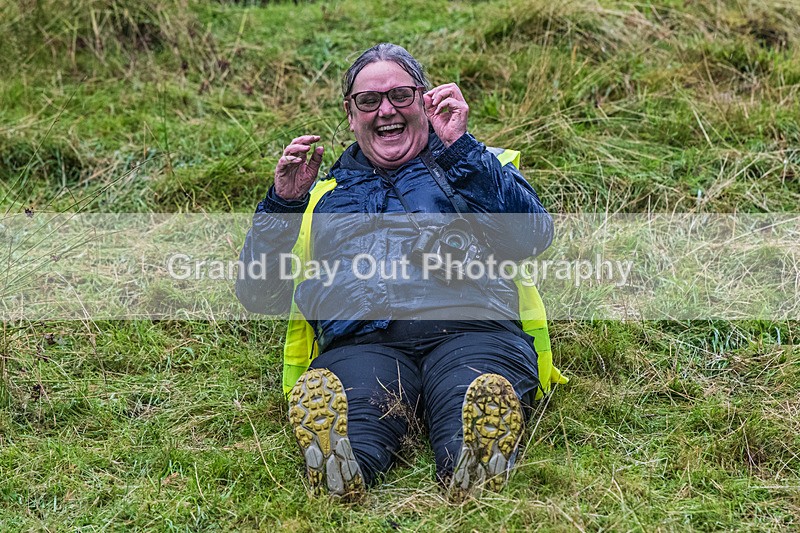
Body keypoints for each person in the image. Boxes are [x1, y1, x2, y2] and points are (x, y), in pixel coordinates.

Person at [236, 43, 554, 499]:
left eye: (401, 95)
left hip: (472, 327)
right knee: (359, 412)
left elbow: (532, 236)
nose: (386, 110)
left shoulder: (473, 164)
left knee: (468, 396)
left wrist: (461, 149)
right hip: (361, 338)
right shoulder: (322, 195)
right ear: (351, 114)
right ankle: (342, 469)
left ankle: (471, 461)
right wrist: (283, 204)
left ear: (425, 101)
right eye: (369, 101)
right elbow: (258, 295)